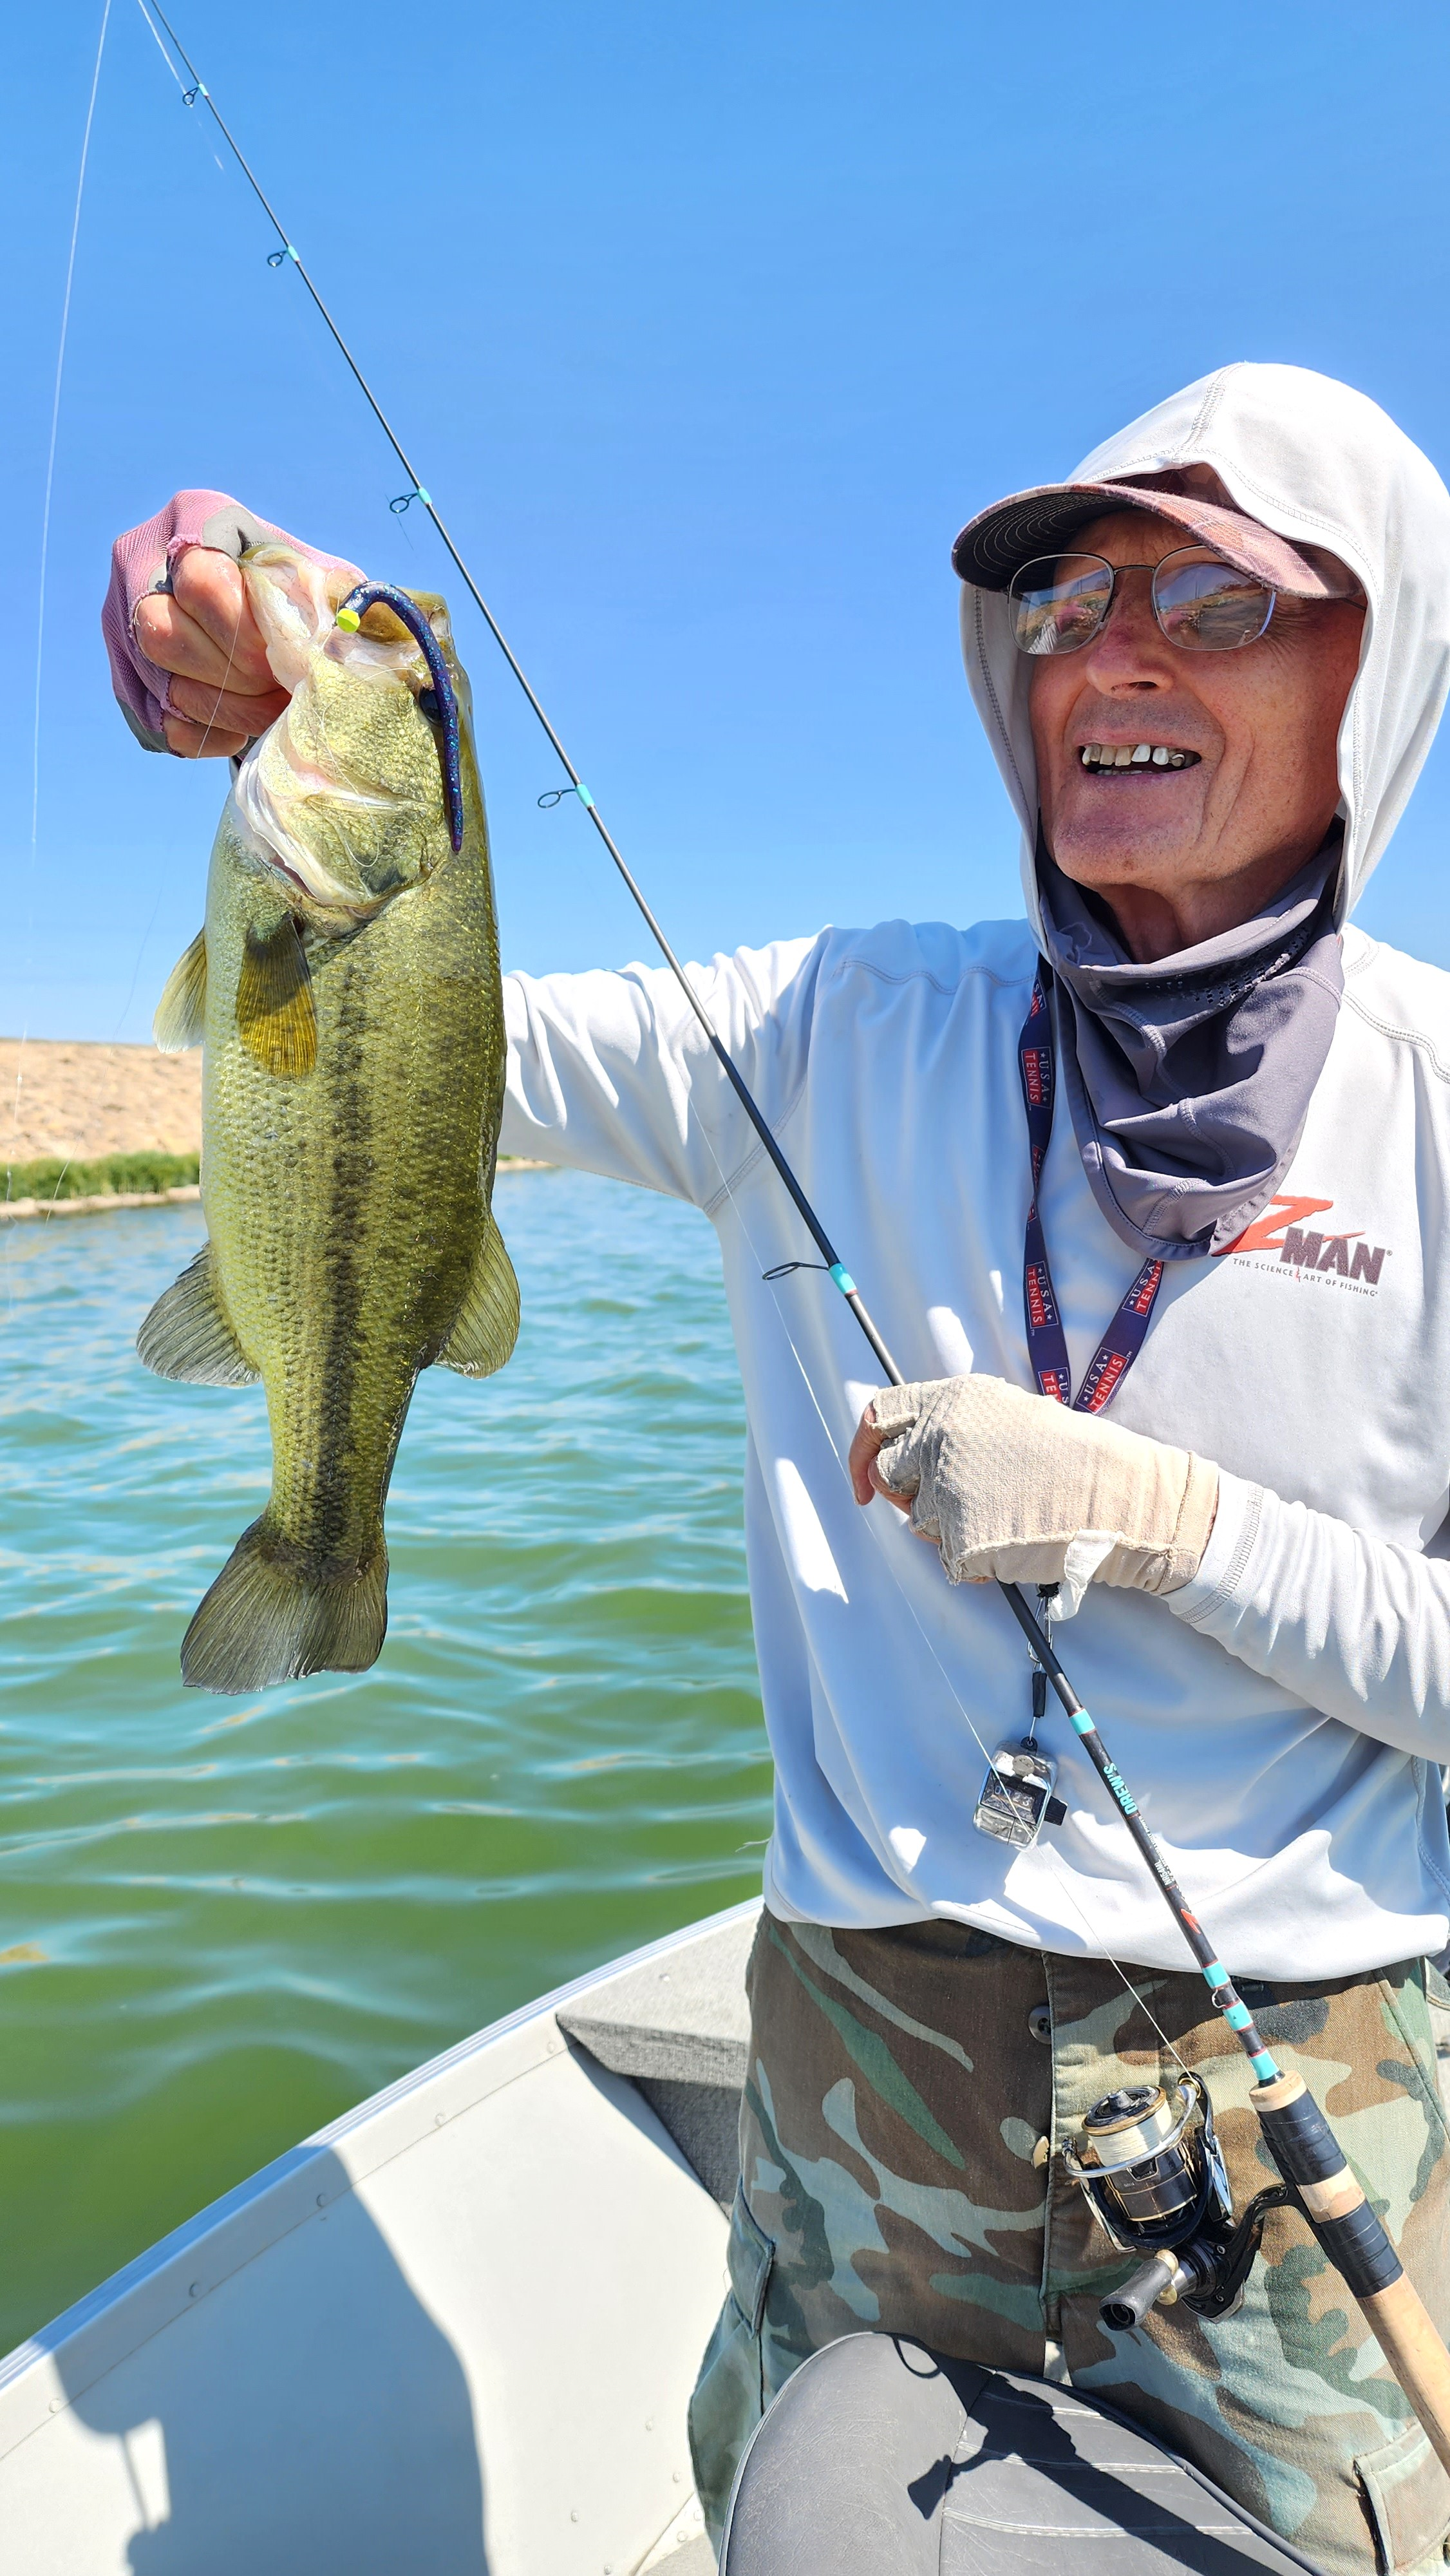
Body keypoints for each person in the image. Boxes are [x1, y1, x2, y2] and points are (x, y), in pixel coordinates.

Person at [104, 364, 1450, 2576]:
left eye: (1214, 601)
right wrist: (277, 645)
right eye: (1064, 594)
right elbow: (407, 1042)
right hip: (853, 2053)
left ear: (1373, 665)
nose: (1109, 651)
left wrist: (1173, 1523)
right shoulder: (837, 1025)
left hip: (1292, 2112)